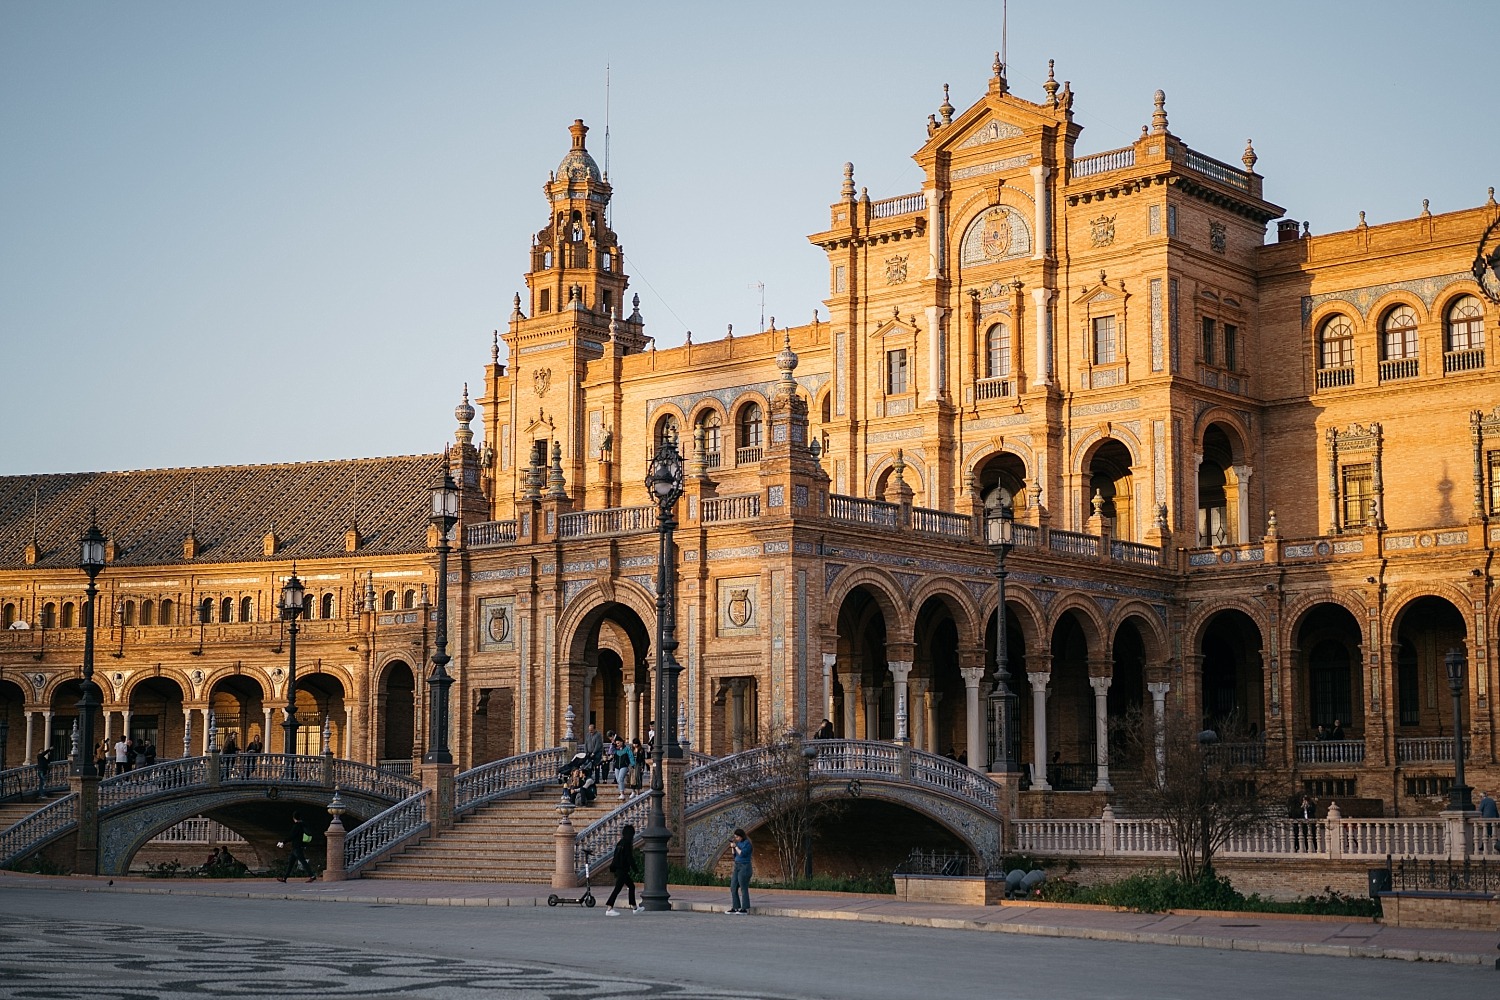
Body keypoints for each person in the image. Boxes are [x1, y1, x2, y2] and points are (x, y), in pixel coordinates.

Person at [603, 822, 642, 916]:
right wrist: (635, 869)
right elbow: (629, 858)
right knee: (618, 888)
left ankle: (634, 907)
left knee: (631, 886)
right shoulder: (627, 844)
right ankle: (609, 908)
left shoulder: (621, 842)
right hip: (622, 869)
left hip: (618, 868)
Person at [275, 812, 317, 882]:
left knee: (303, 861)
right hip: (300, 846)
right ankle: (284, 878)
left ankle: (312, 875)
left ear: (294, 818)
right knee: (291, 863)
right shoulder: (304, 825)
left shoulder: (296, 826)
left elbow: (292, 836)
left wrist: (284, 842)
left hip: (297, 846)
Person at [728, 828, 753, 914]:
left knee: (743, 887)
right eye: (735, 837)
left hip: (745, 867)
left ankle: (744, 908)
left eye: (737, 837)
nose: (736, 839)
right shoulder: (738, 843)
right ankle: (735, 907)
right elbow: (735, 856)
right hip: (737, 866)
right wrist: (732, 847)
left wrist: (736, 847)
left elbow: (742, 854)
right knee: (733, 886)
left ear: (741, 836)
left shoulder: (747, 844)